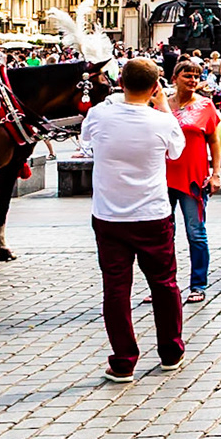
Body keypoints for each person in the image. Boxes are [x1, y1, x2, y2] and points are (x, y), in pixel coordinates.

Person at [80, 58, 186, 382]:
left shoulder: (99, 115)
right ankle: (171, 352)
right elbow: (176, 152)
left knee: (116, 289)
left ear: (120, 83)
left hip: (109, 215)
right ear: (155, 87)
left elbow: (86, 146)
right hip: (153, 214)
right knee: (164, 284)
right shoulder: (163, 121)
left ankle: (124, 361)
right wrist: (163, 105)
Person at [165, 59, 221, 303]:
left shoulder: (205, 106)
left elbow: (214, 141)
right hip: (163, 178)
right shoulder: (160, 105)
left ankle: (198, 284)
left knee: (195, 233)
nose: (192, 80)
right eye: (187, 75)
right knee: (163, 235)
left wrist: (216, 173)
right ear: (175, 78)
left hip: (193, 179)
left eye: (196, 76)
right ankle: (164, 285)